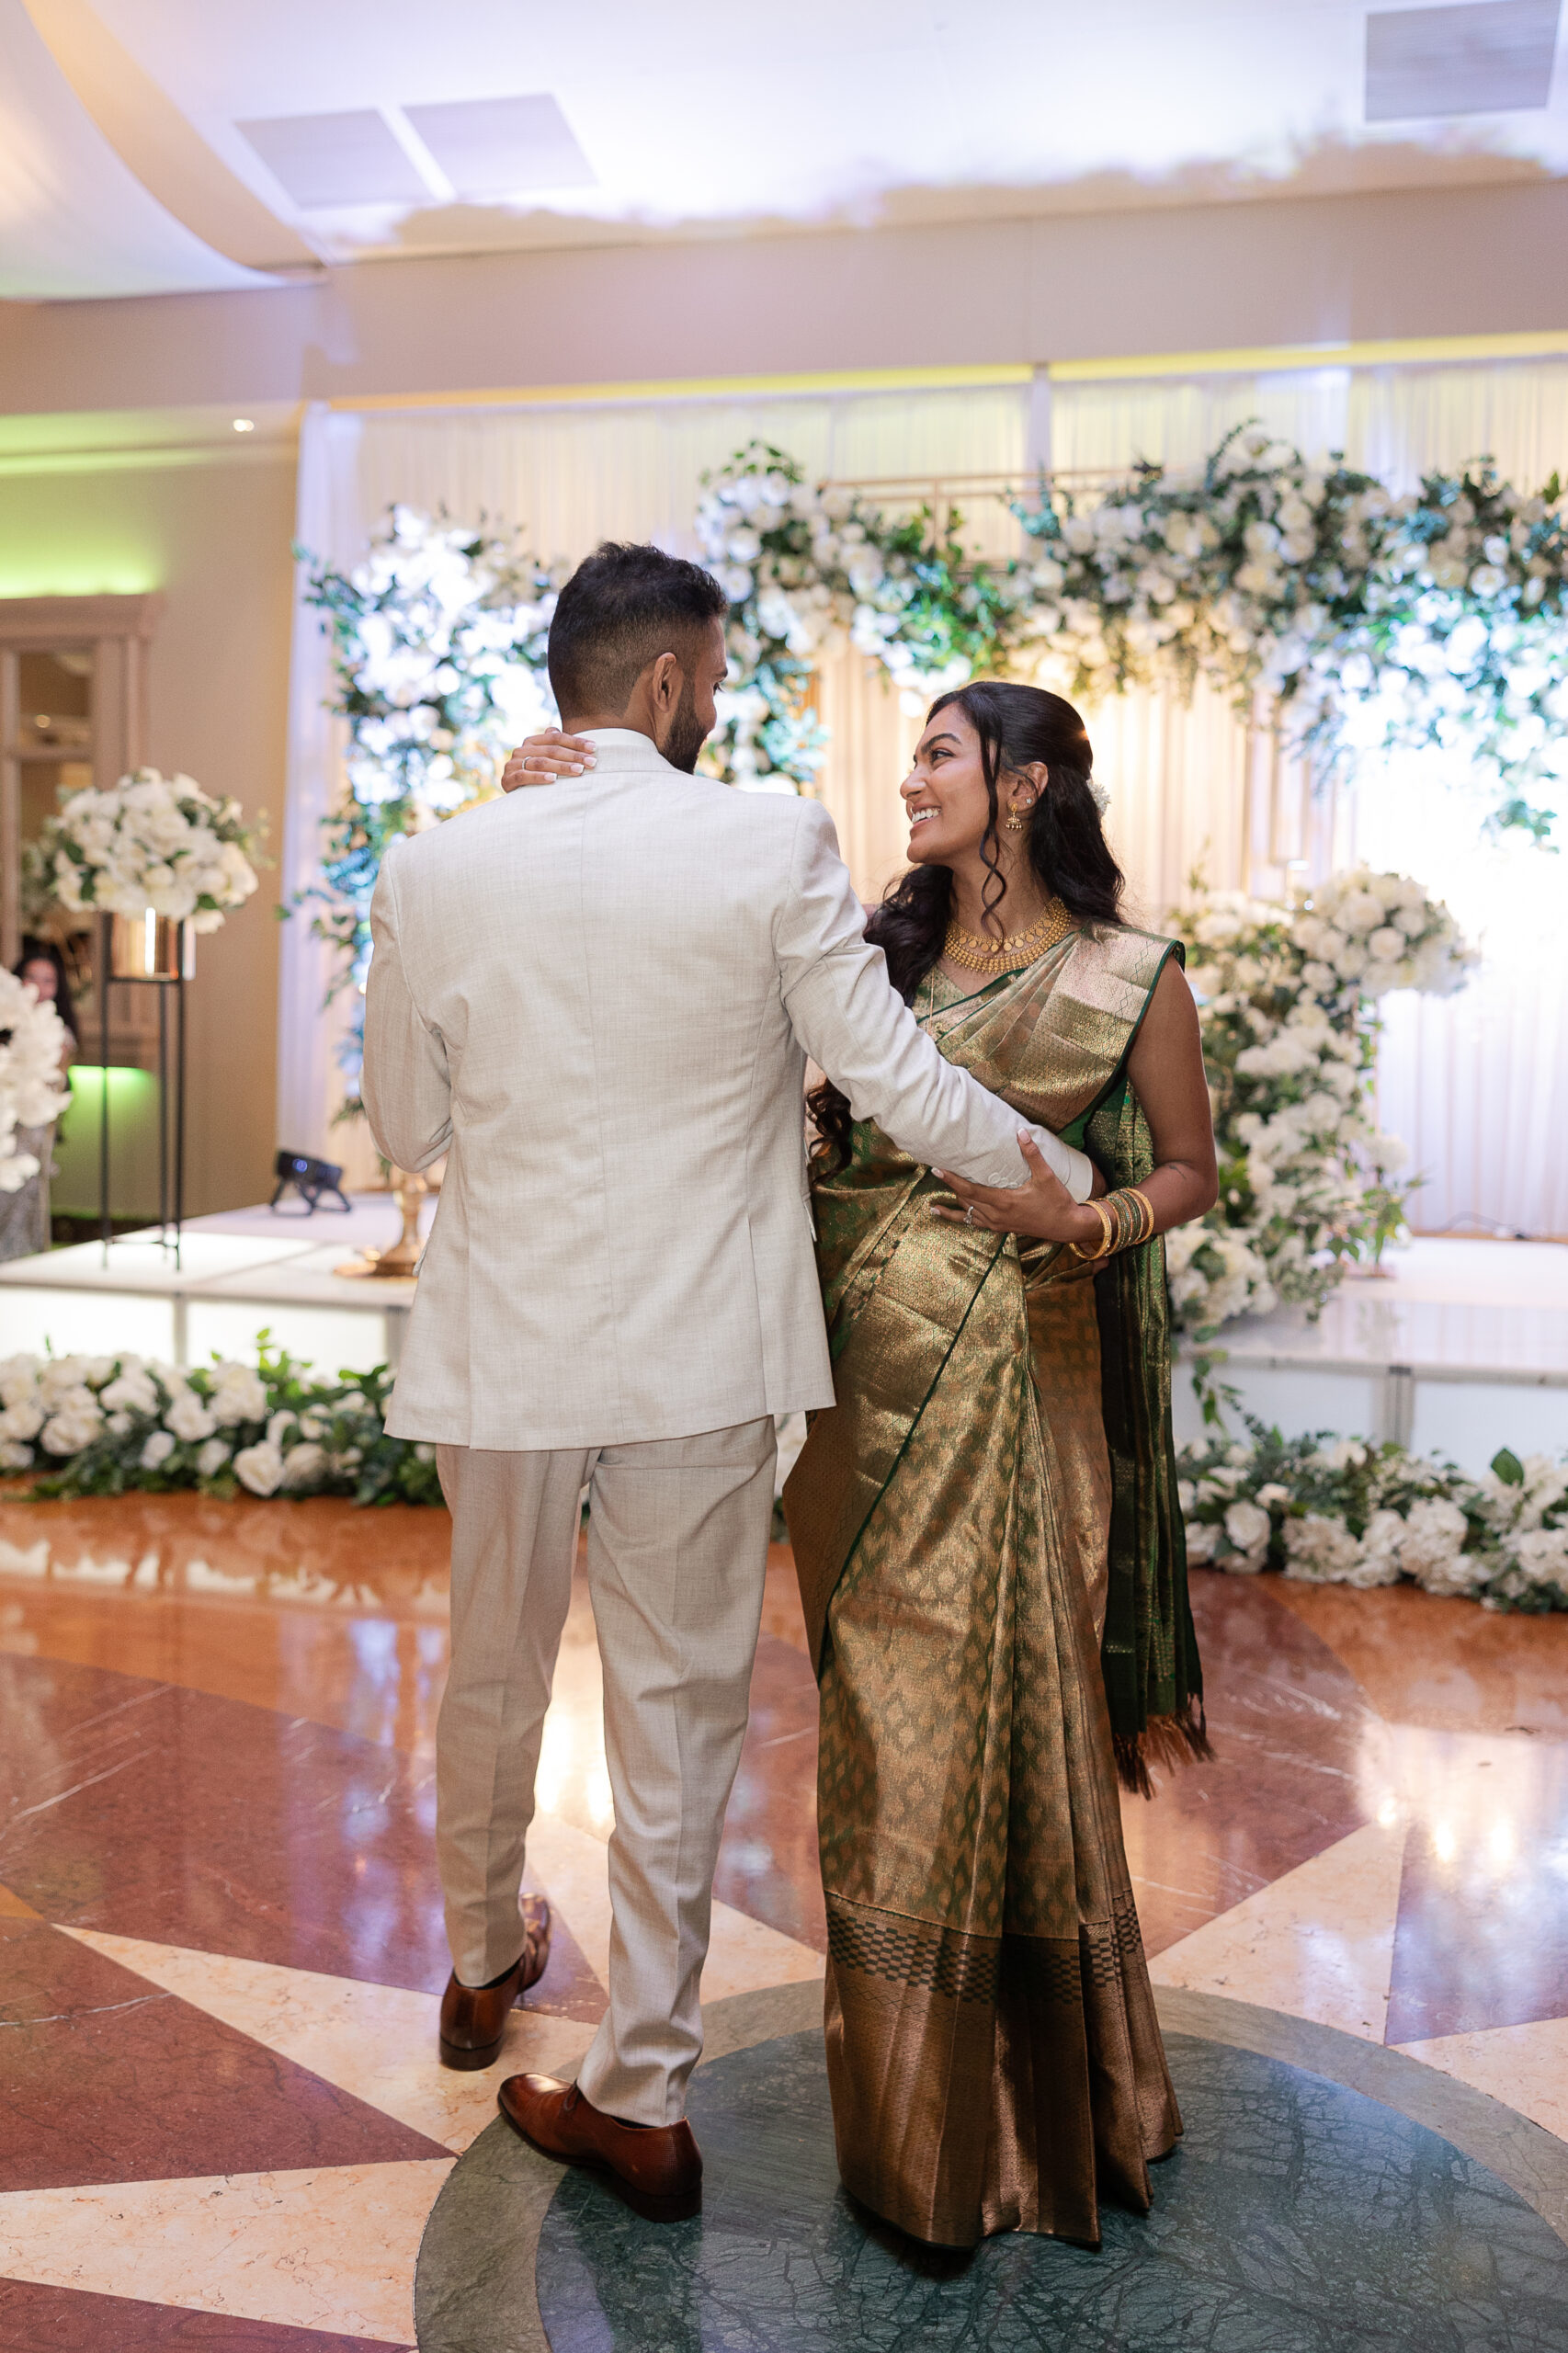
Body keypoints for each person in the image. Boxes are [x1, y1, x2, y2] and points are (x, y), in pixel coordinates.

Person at [361, 545, 1095, 2226]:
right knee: (676, 1713)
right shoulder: (768, 836)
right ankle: (640, 2093)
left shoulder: (434, 863)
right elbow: (892, 1076)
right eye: (719, 674)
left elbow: (409, 1130)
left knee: (487, 1672)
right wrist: (1053, 1174)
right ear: (673, 687)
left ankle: (483, 1968)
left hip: (500, 1349)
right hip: (698, 1352)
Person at [509, 678, 1216, 2252]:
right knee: (878, 1740)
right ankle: (917, 2115)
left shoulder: (1125, 975)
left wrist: (1080, 1222)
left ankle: (983, 2139)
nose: (910, 783)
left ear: (1027, 786)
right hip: (848, 1396)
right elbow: (691, 993)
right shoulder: (877, 953)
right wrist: (545, 811)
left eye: (941, 756)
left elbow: (1189, 1171)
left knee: (977, 1733)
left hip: (1012, 1398)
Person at [0, 939, 77, 1262]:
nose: (40, 987)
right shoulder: (7, 1021)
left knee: (27, 1185)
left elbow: (55, 1081)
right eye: (33, 978)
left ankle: (22, 1255)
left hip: (33, 1118)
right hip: (6, 1114)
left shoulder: (58, 1031)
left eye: (49, 980)